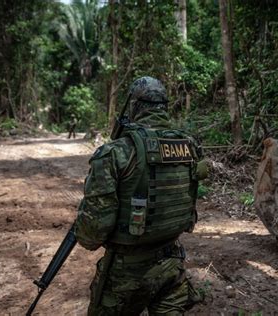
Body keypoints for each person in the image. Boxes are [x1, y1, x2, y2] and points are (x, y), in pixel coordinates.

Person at [74, 76, 207, 315]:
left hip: (126, 275)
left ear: (134, 106)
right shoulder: (190, 146)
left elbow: (91, 235)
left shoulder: (117, 153)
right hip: (172, 264)